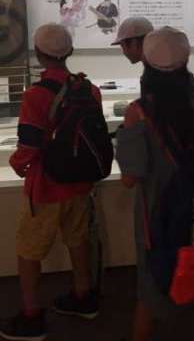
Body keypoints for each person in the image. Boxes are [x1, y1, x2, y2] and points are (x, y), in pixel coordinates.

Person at [116, 27, 194, 341]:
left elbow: (130, 179)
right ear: (185, 60)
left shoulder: (138, 112)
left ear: (147, 61)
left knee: (150, 288)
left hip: (157, 213)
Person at [0, 24, 102, 341]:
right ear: (69, 51)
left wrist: (17, 165)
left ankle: (31, 316)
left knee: (29, 249)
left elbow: (29, 145)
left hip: (46, 187)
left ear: (39, 54)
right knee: (78, 239)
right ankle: (83, 297)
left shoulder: (36, 94)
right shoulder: (90, 90)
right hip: (80, 184)